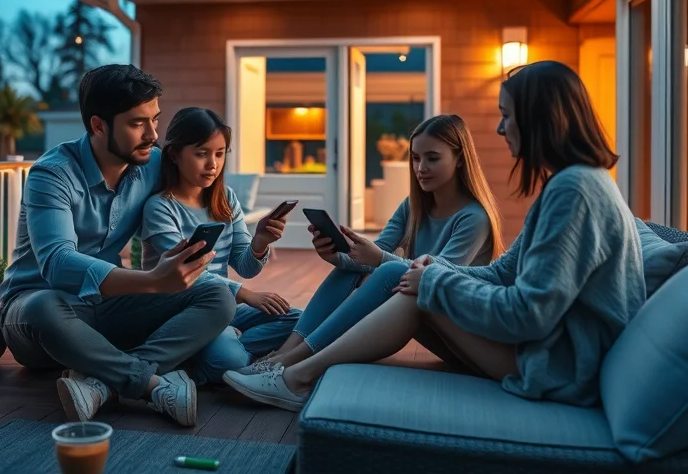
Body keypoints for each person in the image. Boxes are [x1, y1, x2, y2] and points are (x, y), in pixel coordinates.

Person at [223, 60, 646, 411]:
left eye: (506, 115)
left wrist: (434, 280)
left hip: (560, 368)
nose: (501, 129)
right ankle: (288, 366)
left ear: (539, 119)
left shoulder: (574, 192)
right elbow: (503, 274)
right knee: (410, 279)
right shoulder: (571, 185)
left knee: (405, 282)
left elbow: (529, 313)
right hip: (550, 351)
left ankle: (296, 375)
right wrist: (430, 269)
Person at [0, 65, 235, 427]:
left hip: (105, 310)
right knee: (42, 305)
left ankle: (103, 384)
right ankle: (151, 382)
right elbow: (58, 265)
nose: (153, 135)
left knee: (218, 297)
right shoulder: (52, 174)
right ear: (98, 126)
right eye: (138, 124)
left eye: (155, 120)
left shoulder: (153, 163)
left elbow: (196, 186)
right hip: (42, 320)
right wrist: (154, 281)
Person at [228, 114, 504, 379]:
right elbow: (378, 252)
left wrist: (378, 258)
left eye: (432, 158)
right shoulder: (414, 205)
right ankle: (284, 354)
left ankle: (293, 361)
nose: (420, 168)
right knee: (355, 271)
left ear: (459, 160)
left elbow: (437, 277)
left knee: (391, 270)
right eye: (416, 158)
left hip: (459, 332)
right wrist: (337, 256)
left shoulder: (474, 218)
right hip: (424, 314)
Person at [140, 107, 302, 384]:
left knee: (300, 321)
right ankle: (217, 357)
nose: (212, 164)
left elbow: (245, 266)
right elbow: (186, 274)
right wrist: (246, 294)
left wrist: (260, 241)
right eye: (201, 153)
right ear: (175, 155)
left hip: (225, 309)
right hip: (184, 311)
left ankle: (223, 343)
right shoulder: (160, 208)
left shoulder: (225, 198)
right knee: (229, 360)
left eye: (219, 153)